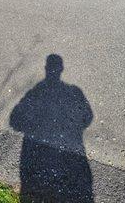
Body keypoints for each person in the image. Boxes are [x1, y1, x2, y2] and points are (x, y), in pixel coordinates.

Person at [10, 54, 94, 202]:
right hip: (74, 160)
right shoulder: (73, 91)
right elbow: (87, 117)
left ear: (46, 68)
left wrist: (31, 125)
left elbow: (14, 121)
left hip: (34, 156)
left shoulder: (35, 91)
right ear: (61, 69)